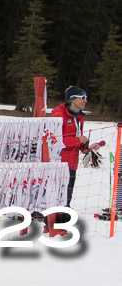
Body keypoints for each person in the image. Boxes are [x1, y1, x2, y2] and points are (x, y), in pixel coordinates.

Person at [51, 86, 88, 227]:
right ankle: (57, 216)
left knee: (69, 188)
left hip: (72, 160)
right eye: (82, 98)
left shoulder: (79, 116)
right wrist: (78, 141)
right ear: (72, 100)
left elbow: (77, 136)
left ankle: (65, 210)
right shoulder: (59, 115)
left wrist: (85, 147)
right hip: (59, 161)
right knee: (59, 189)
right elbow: (55, 140)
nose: (86, 101)